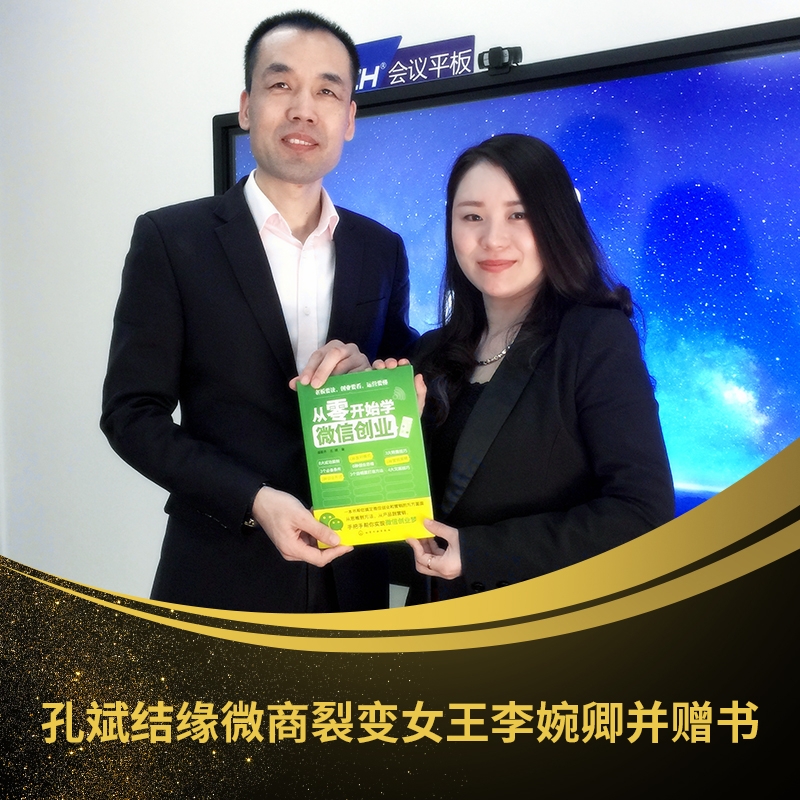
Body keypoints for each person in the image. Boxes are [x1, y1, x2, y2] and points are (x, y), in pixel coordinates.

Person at [101, 11, 417, 613]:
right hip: (220, 574)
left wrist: (380, 376)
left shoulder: (381, 248)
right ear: (247, 107)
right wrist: (253, 499)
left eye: (327, 91)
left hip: (355, 579)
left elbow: (403, 371)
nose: (304, 109)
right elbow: (130, 415)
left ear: (350, 118)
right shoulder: (171, 239)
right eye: (281, 85)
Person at [401, 133, 674, 601]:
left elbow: (643, 514)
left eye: (519, 214)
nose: (492, 239)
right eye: (472, 216)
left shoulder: (594, 337)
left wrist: (480, 552)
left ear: (555, 222)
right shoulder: (431, 353)